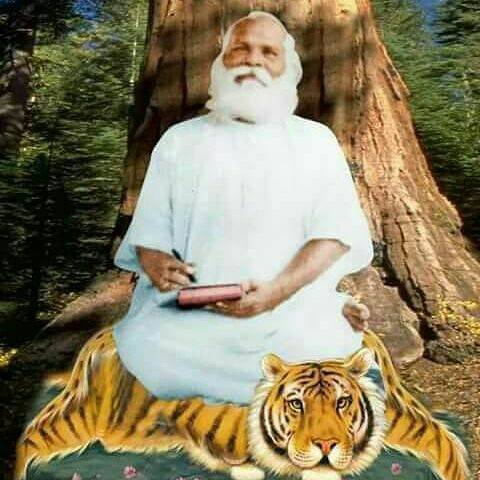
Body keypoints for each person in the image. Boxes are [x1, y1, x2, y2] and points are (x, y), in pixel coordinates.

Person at [113, 11, 374, 405]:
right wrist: (156, 261)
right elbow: (150, 229)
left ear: (288, 68)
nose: (253, 60)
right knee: (150, 345)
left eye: (268, 52)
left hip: (291, 310)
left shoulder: (316, 141)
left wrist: (273, 295)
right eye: (241, 49)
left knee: (317, 344)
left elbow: (334, 236)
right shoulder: (180, 140)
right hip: (193, 315)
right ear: (221, 62)